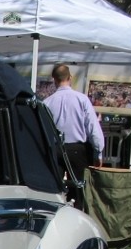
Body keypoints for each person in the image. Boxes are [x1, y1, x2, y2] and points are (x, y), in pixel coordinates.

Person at [44, 63, 105, 209]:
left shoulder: (47, 102)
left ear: (54, 79)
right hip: (77, 149)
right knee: (80, 190)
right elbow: (93, 127)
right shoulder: (81, 99)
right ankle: (78, 215)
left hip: (55, 149)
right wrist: (98, 152)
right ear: (70, 77)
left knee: (55, 191)